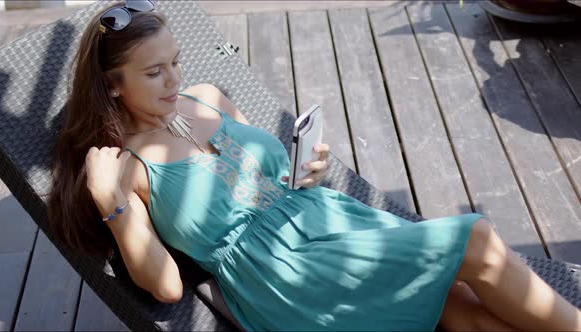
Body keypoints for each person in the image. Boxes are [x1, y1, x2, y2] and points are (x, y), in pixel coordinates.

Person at [47, 1, 581, 331]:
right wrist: (109, 201)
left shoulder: (206, 97)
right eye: (155, 72)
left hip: (328, 224)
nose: (174, 79)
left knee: (459, 308)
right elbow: (164, 286)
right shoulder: (127, 169)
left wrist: (304, 171)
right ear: (113, 84)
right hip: (287, 276)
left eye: (176, 62)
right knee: (476, 241)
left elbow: (262, 180)